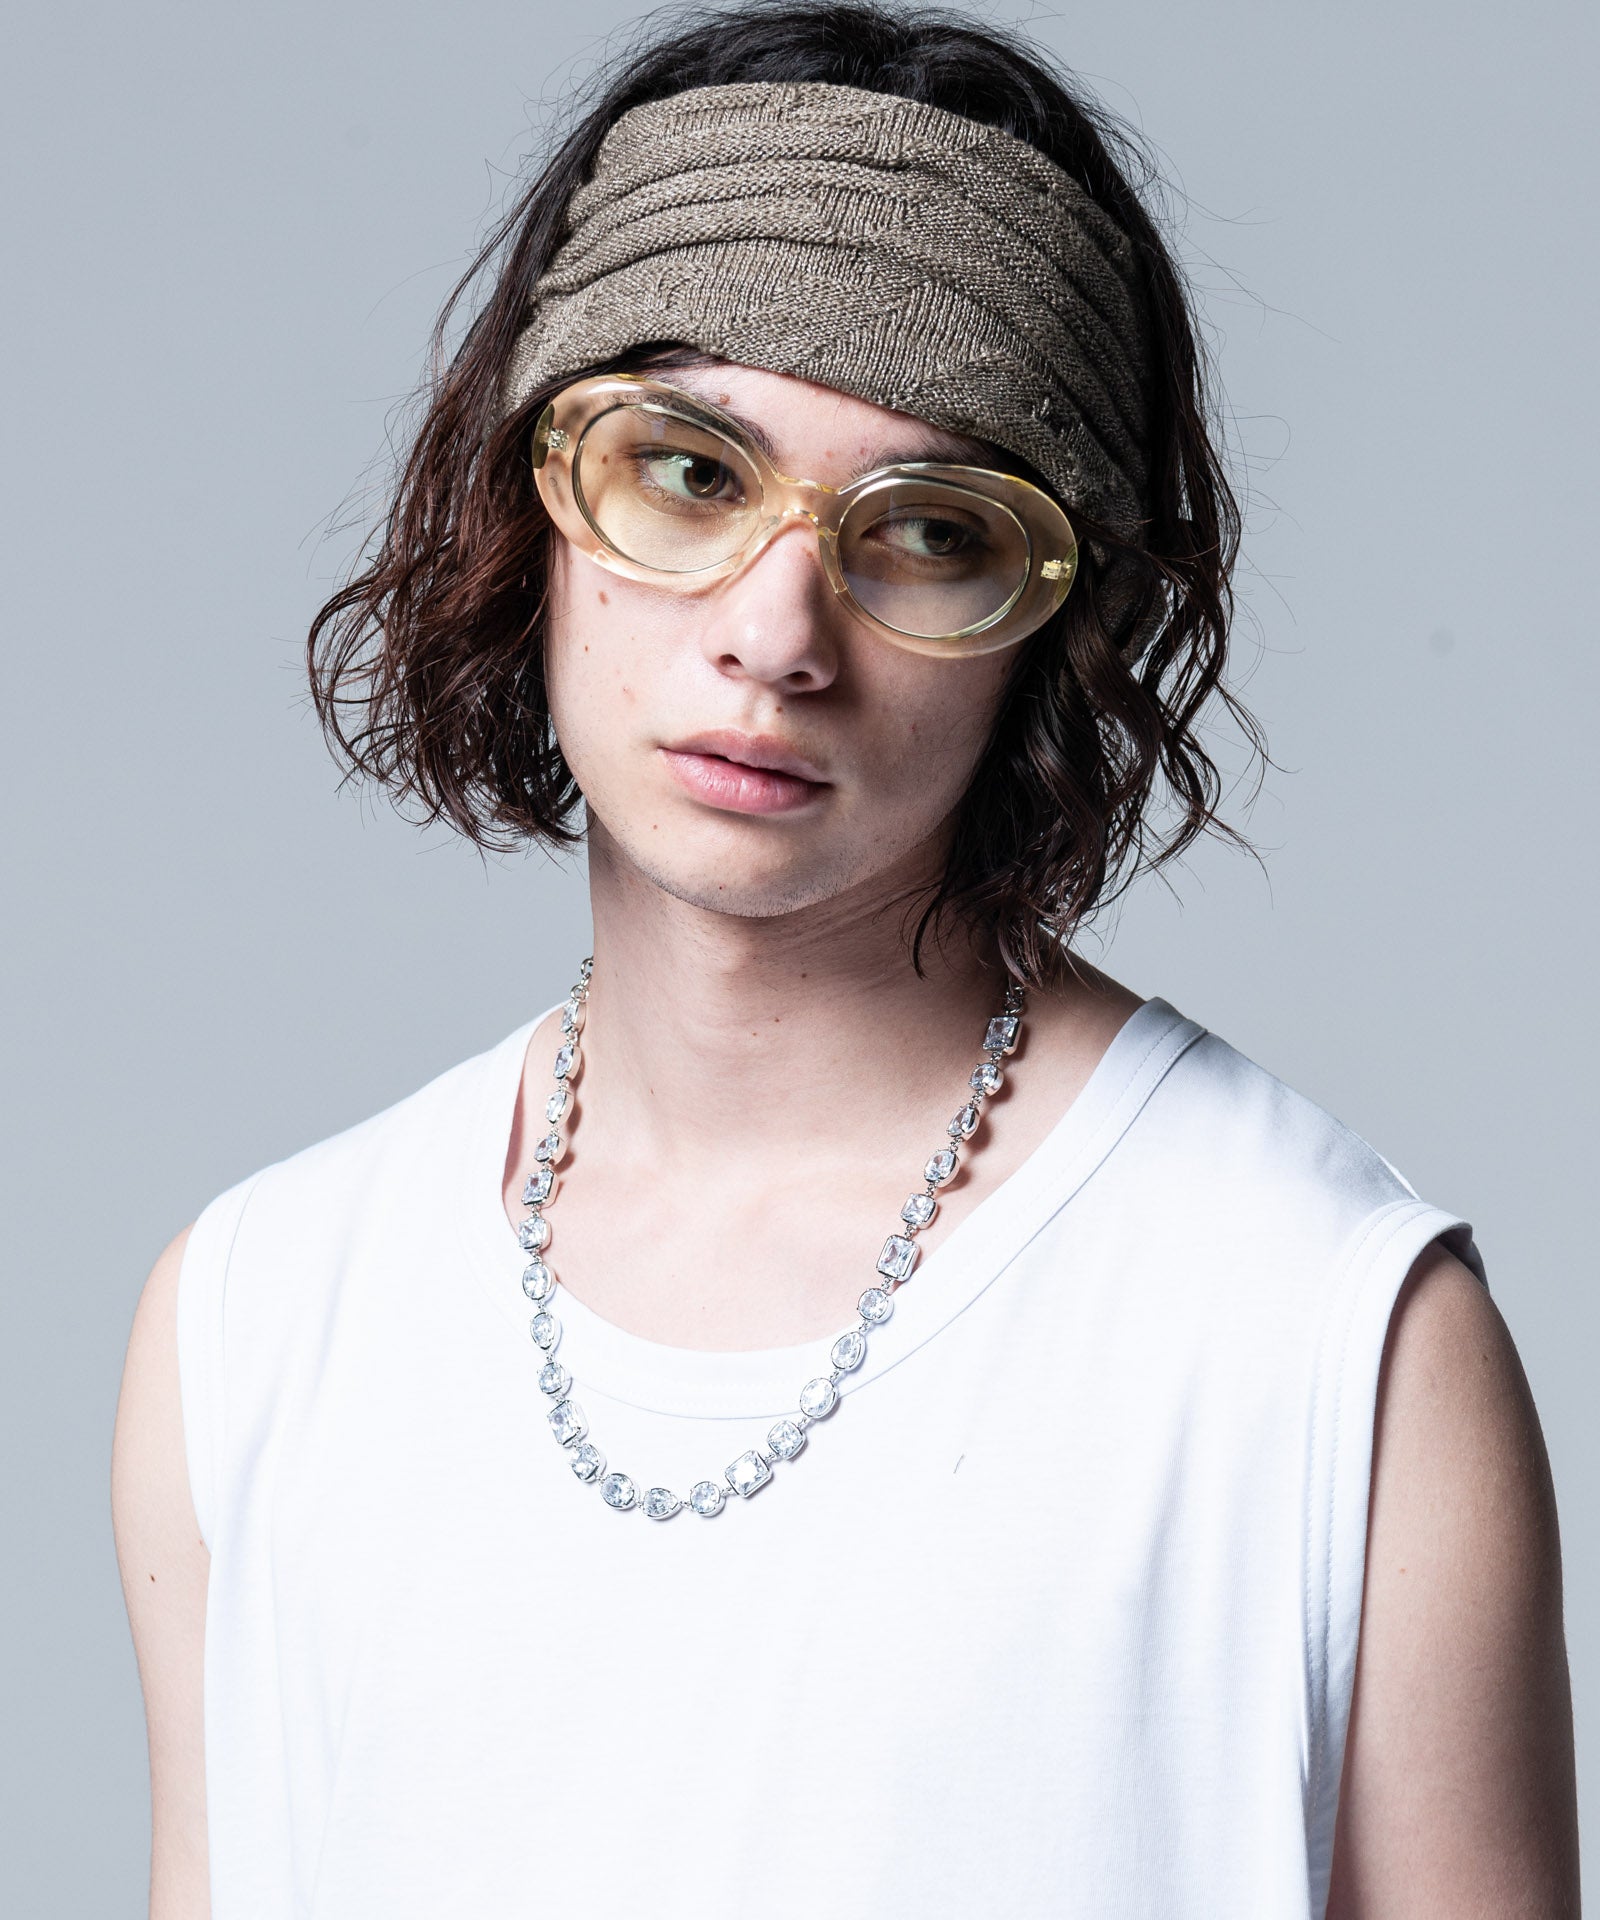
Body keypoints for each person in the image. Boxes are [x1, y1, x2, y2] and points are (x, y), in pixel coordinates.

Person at [111, 4, 1580, 1915]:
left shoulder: (1333, 1341)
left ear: (1053, 626)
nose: (778, 632)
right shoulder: (255, 1319)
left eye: (931, 532)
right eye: (689, 474)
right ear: (530, 499)